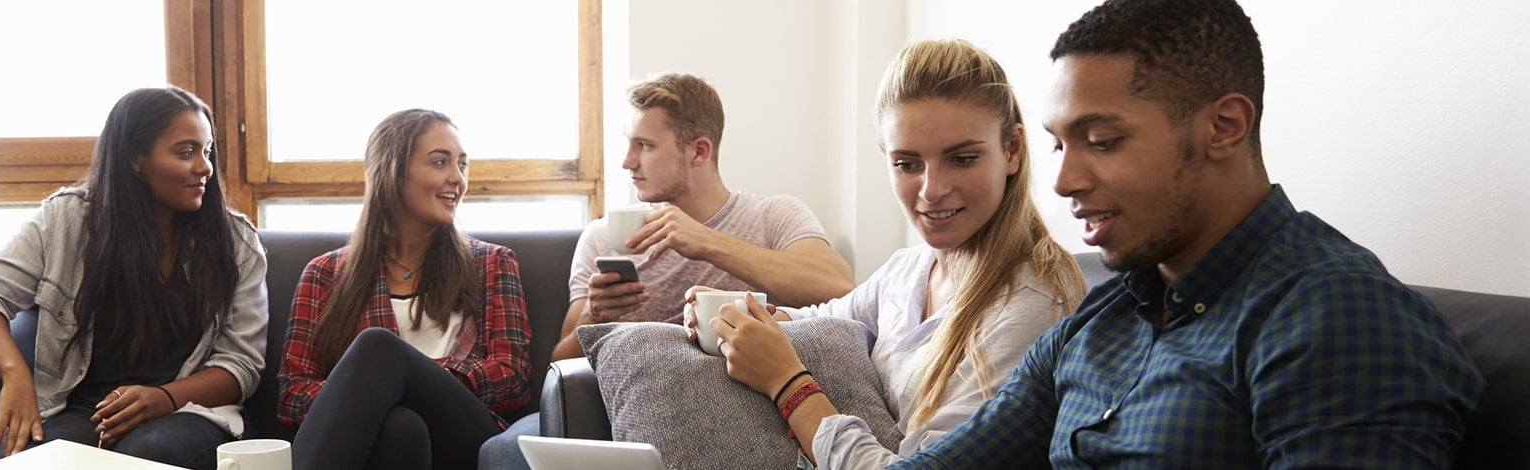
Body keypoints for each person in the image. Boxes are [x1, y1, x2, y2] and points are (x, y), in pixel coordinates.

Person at [779, 0, 1485, 467]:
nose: (1063, 182)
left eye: (1103, 141)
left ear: (1224, 127)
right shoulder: (1100, 321)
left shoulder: (1334, 317)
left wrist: (796, 393)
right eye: (1062, 145)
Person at [701, 38, 1087, 469]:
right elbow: (828, 317)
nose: (932, 190)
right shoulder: (910, 268)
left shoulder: (1031, 306)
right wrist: (739, 315)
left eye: (961, 159)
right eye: (907, 164)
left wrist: (788, 384)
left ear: (1011, 150)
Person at [481, 72, 859, 469]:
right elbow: (560, 362)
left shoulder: (773, 216)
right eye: (628, 144)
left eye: (643, 146)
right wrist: (596, 314)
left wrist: (706, 241)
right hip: (618, 409)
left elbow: (836, 284)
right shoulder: (601, 238)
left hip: (743, 411)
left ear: (698, 152)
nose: (627, 162)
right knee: (503, 451)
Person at [0, 86, 269, 467]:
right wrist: (13, 372)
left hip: (188, 412)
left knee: (152, 451)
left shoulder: (237, 242)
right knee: (46, 457)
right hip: (83, 410)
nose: (205, 167)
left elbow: (242, 366)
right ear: (136, 159)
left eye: (207, 151)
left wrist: (162, 398)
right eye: (186, 152)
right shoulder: (65, 221)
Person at [279, 109, 532, 469]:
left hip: (464, 435)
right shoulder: (325, 274)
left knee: (378, 348)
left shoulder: (492, 263)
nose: (457, 178)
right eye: (440, 162)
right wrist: (374, 395)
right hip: (378, 441)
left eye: (462, 164)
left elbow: (513, 378)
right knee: (400, 426)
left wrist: (410, 376)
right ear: (393, 172)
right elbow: (291, 396)